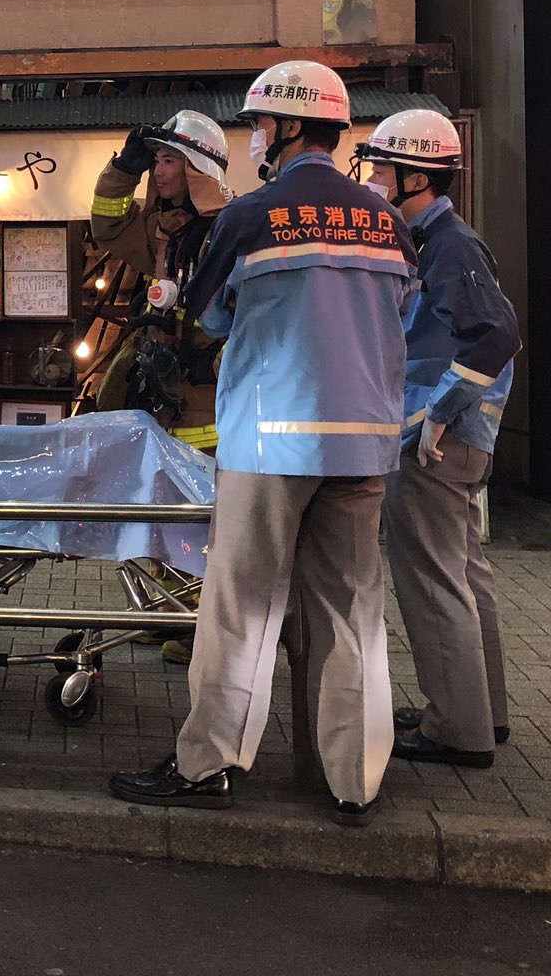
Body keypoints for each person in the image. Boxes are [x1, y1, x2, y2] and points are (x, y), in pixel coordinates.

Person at [109, 62, 416, 824]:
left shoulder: (251, 216)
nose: (254, 137)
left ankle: (208, 763)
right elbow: (403, 311)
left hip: (271, 440)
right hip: (365, 444)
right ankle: (355, 781)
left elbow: (208, 314)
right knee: (353, 617)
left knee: (241, 609)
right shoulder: (388, 221)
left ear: (285, 127)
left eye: (259, 124)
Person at [353, 108, 519, 769]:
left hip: (435, 442)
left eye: (382, 167)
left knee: (432, 582)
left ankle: (456, 729)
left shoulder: (448, 244)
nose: (373, 177)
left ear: (417, 177)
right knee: (464, 575)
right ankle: (481, 712)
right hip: (453, 438)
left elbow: (496, 335)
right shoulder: (432, 239)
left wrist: (439, 415)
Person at [90, 110, 233, 664]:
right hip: (162, 385)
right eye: (156, 161)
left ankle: (204, 626)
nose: (160, 171)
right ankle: (169, 610)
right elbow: (106, 225)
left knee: (203, 506)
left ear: (198, 169)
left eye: (169, 160)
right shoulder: (160, 230)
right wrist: (122, 170)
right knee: (164, 501)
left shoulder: (228, 231)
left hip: (204, 396)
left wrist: (210, 359)